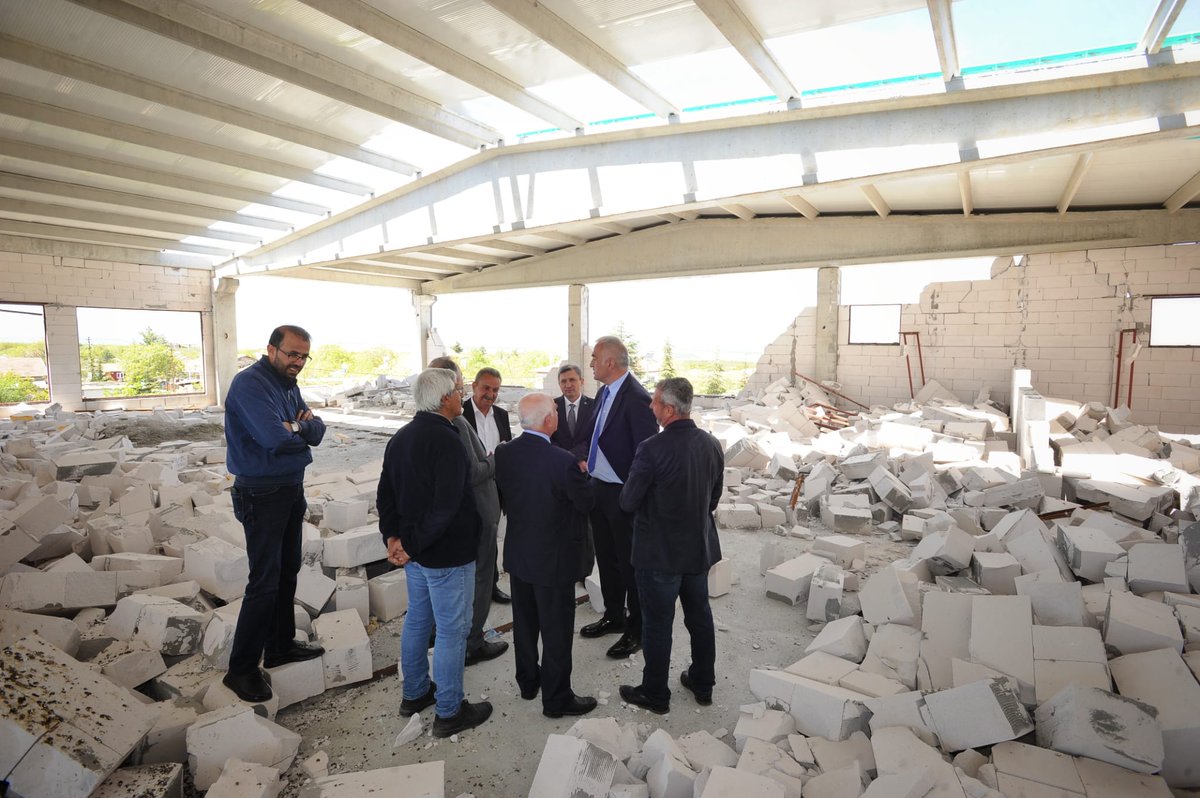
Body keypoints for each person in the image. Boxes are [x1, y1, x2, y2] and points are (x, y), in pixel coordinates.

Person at [377, 368, 493, 738]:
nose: (463, 397)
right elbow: (445, 507)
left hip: (416, 554)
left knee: (417, 622)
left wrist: (394, 538)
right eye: (459, 391)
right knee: (451, 631)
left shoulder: (402, 438)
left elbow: (386, 496)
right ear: (445, 398)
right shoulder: (446, 440)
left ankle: (414, 693)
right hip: (445, 554)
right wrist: (408, 544)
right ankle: (449, 710)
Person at [221, 325, 326, 703]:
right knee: (264, 580)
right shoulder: (250, 385)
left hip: (288, 488)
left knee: (287, 572)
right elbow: (273, 438)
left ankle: (279, 645)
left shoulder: (286, 383)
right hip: (261, 493)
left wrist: (298, 426)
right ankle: (241, 668)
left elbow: (316, 431)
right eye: (291, 354)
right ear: (271, 349)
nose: (297, 362)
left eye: (303, 356)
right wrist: (300, 430)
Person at [617, 378, 724, 714]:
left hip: (658, 555)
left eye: (654, 402)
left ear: (668, 408)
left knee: (657, 625)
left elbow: (628, 501)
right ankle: (703, 683)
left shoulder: (652, 448)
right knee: (700, 617)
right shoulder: (711, 444)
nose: (650, 407)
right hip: (697, 550)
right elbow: (714, 498)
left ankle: (655, 693)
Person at [494, 393, 597, 718]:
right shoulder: (562, 461)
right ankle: (556, 699)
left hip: (519, 555)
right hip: (553, 560)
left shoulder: (505, 453)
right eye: (554, 410)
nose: (557, 412)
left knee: (525, 624)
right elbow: (586, 503)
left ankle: (528, 683)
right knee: (556, 630)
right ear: (548, 420)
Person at [571, 336, 658, 659]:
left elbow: (647, 454)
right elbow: (591, 437)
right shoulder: (604, 393)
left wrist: (632, 496)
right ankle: (613, 615)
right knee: (606, 559)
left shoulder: (636, 398)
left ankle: (637, 629)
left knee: (630, 563)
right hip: (599, 489)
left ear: (609, 361)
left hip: (623, 493)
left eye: (594, 358)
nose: (591, 363)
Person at [428, 357, 508, 667]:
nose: (460, 394)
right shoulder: (458, 421)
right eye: (459, 387)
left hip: (468, 512)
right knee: (476, 579)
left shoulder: (423, 425)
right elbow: (474, 472)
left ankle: (451, 634)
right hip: (476, 511)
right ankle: (472, 642)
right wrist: (495, 458)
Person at [461, 366, 512, 605]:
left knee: (491, 541)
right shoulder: (459, 413)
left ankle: (491, 587)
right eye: (486, 388)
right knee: (469, 543)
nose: (490, 394)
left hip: (496, 489)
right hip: (469, 491)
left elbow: (507, 448)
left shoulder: (501, 415)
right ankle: (470, 591)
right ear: (474, 386)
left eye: (495, 390)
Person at [550, 363, 593, 453]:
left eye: (572, 380)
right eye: (563, 381)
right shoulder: (551, 406)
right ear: (559, 384)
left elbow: (594, 437)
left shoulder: (594, 405)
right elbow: (548, 437)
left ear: (581, 381)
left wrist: (577, 457)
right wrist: (565, 457)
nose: (568, 385)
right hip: (559, 461)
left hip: (585, 463)